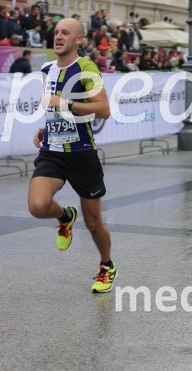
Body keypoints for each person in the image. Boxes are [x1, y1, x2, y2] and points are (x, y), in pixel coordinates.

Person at [28, 17, 115, 293]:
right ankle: (65, 216)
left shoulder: (86, 68)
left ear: (78, 40)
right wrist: (47, 128)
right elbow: (56, 109)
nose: (58, 36)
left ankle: (106, 265)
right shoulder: (47, 69)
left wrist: (65, 103)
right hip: (52, 151)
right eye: (56, 32)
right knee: (37, 206)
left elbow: (103, 109)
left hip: (81, 153)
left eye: (65, 32)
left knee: (93, 223)